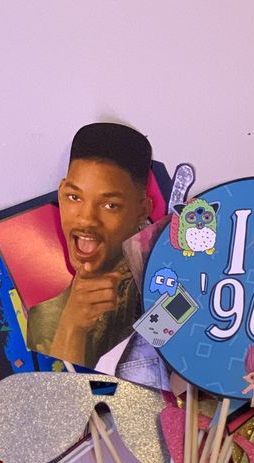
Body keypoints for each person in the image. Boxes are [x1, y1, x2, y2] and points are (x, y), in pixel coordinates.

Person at [27, 122, 167, 388]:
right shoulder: (43, 318)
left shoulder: (168, 286)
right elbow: (62, 414)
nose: (87, 220)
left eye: (109, 205)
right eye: (74, 198)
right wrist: (72, 326)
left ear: (142, 210)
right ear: (60, 193)